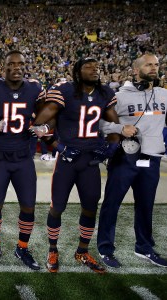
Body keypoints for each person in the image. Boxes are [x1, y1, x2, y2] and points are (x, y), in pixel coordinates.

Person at [31, 57, 126, 273]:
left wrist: (109, 149)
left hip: (90, 161)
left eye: (97, 66)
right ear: (77, 70)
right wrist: (58, 147)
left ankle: (82, 251)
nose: (95, 70)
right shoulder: (65, 91)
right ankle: (52, 249)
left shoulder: (104, 94)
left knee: (90, 207)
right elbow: (38, 125)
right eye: (88, 67)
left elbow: (115, 128)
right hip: (67, 160)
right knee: (58, 207)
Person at [97, 53, 167, 268]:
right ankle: (105, 248)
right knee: (112, 204)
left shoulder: (164, 94)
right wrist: (120, 128)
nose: (154, 68)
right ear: (136, 70)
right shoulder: (119, 96)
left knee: (146, 206)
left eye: (156, 64)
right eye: (149, 65)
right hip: (124, 158)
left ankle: (144, 247)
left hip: (151, 157)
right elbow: (99, 123)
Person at [0, 50, 44, 270]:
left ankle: (22, 248)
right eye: (11, 64)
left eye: (20, 64)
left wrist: (44, 127)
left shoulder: (35, 88)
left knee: (28, 206)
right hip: (0, 158)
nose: (16, 68)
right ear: (3, 67)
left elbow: (48, 114)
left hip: (24, 158)